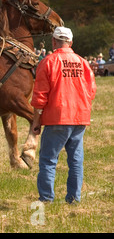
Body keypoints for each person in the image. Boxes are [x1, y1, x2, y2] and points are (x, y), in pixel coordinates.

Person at [31, 26, 97, 204]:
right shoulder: (83, 62)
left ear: (53, 42)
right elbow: (91, 91)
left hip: (57, 117)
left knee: (48, 160)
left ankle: (46, 199)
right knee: (76, 160)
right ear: (71, 42)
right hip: (79, 117)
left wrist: (36, 122)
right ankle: (74, 199)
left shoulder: (48, 61)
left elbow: (40, 96)